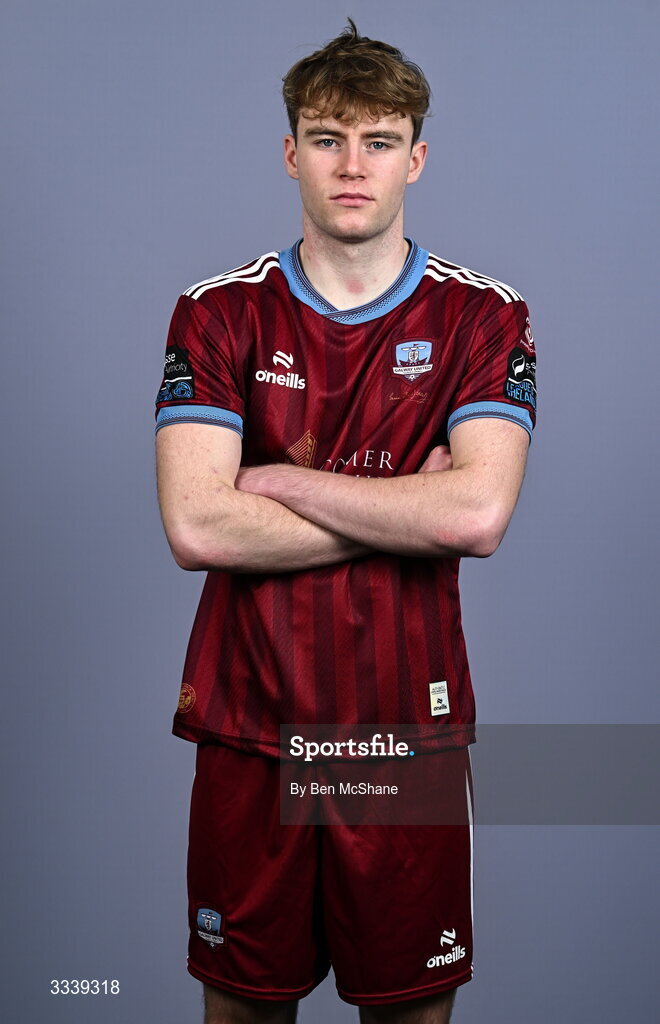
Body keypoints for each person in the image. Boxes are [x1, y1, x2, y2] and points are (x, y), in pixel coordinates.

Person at [155, 19, 536, 1024]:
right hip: (250, 729)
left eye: (378, 140)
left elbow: (481, 512)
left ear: (418, 156)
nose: (352, 164)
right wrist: (414, 503)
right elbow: (197, 527)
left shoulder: (484, 317)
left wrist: (278, 482)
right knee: (243, 1011)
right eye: (327, 138)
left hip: (401, 737)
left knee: (409, 1013)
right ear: (291, 155)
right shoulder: (218, 313)